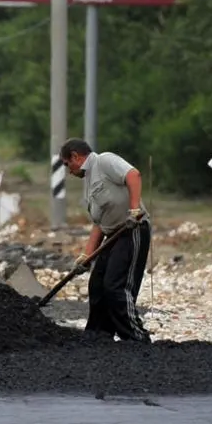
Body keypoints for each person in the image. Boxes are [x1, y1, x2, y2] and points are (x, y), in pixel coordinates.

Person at [61, 139, 151, 342]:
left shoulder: (104, 161)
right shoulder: (89, 183)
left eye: (67, 164)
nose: (69, 171)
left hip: (133, 229)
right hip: (113, 235)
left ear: (76, 156)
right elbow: (99, 223)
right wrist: (86, 256)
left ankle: (136, 338)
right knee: (97, 285)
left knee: (115, 286)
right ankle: (99, 336)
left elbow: (133, 175)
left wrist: (134, 210)